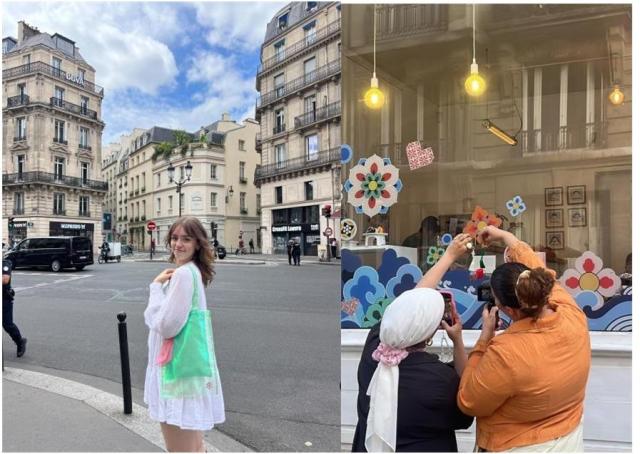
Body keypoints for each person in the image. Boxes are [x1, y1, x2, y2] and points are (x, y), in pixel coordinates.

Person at [455, 226, 590, 452]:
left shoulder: (506, 352)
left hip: (519, 445)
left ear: (508, 309)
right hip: (568, 440)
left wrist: (483, 340)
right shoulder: (571, 314)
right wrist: (508, 238)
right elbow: (542, 274)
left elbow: (469, 402)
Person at [352, 266, 474, 452]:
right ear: (429, 332)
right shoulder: (440, 380)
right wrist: (458, 340)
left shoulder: (373, 353)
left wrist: (449, 256)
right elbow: (467, 408)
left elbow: (405, 309)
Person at [144, 216, 225, 452]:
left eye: (186, 239)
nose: (177, 244)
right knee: (196, 448)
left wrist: (155, 288)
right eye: (174, 238)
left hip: (176, 374)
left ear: (198, 244)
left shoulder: (182, 275)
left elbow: (166, 325)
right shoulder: (193, 272)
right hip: (187, 372)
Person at [3, 259, 27, 357]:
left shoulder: (5, 264)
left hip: (4, 299)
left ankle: (20, 342)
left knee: (7, 324)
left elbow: (5, 279)